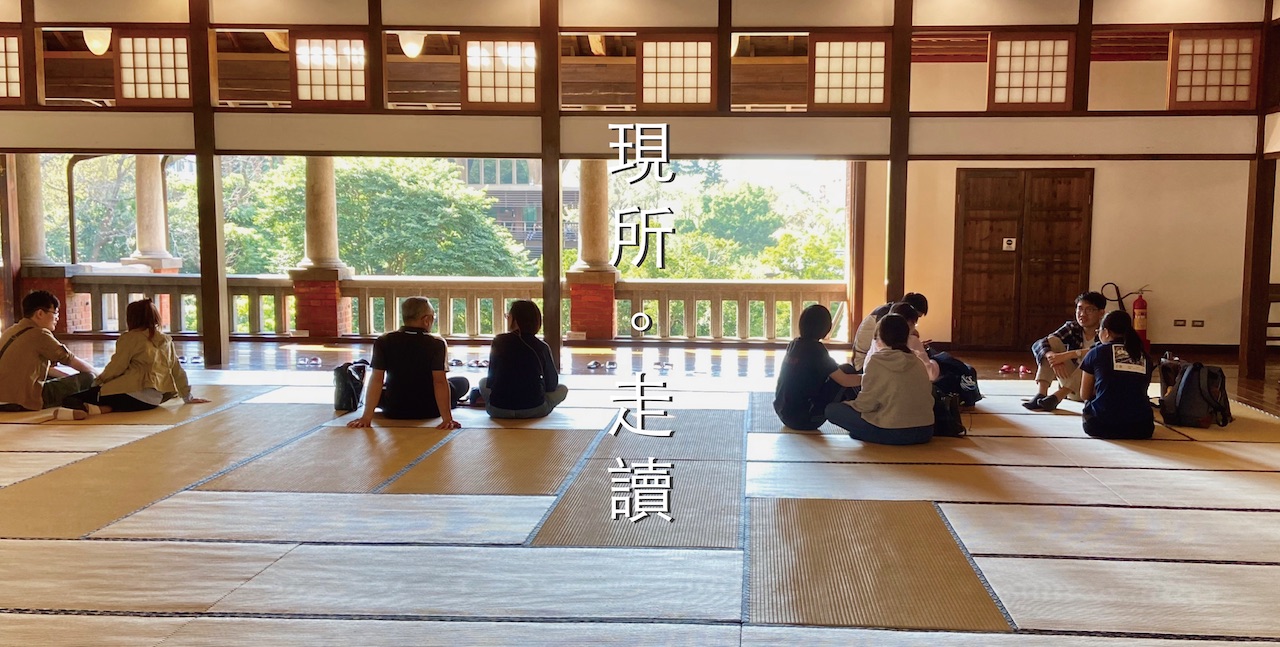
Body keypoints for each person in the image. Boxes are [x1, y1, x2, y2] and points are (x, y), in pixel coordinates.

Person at [62, 299, 209, 416]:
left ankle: (89, 410)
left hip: (131, 395)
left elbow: (117, 367)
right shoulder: (166, 340)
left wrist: (98, 382)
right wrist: (187, 396)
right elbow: (177, 370)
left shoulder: (130, 338)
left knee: (70, 399)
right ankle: (103, 409)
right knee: (106, 397)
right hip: (154, 401)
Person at [348, 296, 468, 429]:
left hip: (393, 409)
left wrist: (366, 417)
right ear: (426, 320)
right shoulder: (437, 343)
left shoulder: (384, 340)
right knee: (461, 383)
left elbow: (377, 379)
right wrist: (447, 419)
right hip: (430, 409)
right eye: (433, 318)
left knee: (384, 388)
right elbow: (439, 381)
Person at [825, 314, 935, 445]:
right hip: (925, 431)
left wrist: (848, 404)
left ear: (880, 337)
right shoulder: (918, 362)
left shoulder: (877, 361)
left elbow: (865, 405)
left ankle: (866, 433)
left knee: (832, 410)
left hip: (894, 432)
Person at [0, 290, 97, 416]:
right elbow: (70, 359)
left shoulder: (11, 331)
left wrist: (67, 378)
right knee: (88, 378)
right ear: (40, 313)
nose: (57, 318)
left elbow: (47, 371)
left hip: (3, 399)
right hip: (22, 401)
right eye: (55, 313)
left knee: (55, 377)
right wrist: (100, 377)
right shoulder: (40, 334)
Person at [773, 304, 862, 430]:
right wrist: (871, 378)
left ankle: (859, 409)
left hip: (783, 413)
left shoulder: (794, 344)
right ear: (825, 328)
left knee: (843, 370)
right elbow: (845, 380)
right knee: (847, 371)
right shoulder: (817, 350)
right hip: (805, 419)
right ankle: (863, 413)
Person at [480, 300, 569, 419]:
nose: (507, 319)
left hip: (498, 410)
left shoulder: (498, 341)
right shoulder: (542, 346)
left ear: (516, 320)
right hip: (534, 409)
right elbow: (552, 384)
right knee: (563, 389)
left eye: (508, 316)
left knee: (482, 382)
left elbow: (491, 381)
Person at [1024, 291, 1107, 412]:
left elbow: (1101, 352)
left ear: (1101, 313)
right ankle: (1041, 394)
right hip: (1070, 384)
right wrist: (1052, 357)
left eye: (1089, 310)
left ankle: (1057, 397)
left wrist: (1069, 355)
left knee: (1090, 358)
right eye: (1079, 309)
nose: (1082, 314)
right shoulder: (1073, 328)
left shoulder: (1105, 332)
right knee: (1052, 341)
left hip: (1088, 390)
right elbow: (1040, 343)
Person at [1079, 310, 1155, 439]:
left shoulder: (1096, 352)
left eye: (1099, 331)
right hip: (1141, 427)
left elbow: (1084, 394)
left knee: (1092, 404)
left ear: (1106, 332)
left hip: (1101, 425)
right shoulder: (1144, 356)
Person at [852, 292, 928, 371]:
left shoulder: (889, 313)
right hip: (863, 364)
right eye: (916, 317)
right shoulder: (887, 319)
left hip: (871, 363)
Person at [865, 302, 940, 382]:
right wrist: (934, 362)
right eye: (914, 324)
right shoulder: (911, 340)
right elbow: (931, 374)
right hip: (908, 386)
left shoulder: (877, 339)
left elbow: (866, 369)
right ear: (908, 323)